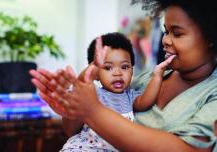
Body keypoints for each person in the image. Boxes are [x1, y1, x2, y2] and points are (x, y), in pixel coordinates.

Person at [30, 0, 217, 151]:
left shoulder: (212, 93)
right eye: (166, 31)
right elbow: (72, 130)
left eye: (177, 33)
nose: (165, 40)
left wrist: (93, 111)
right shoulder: (144, 79)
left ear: (210, 37)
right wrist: (76, 102)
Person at [30, 32, 175, 151]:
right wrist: (93, 66)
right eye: (108, 68)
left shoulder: (130, 97)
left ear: (132, 70)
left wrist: (157, 75)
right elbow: (82, 84)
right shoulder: (94, 94)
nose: (117, 73)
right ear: (96, 73)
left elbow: (146, 102)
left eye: (124, 67)